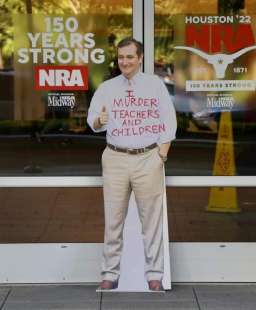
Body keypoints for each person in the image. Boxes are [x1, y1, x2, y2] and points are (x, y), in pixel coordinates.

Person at [87, 37, 177, 291]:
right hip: (115, 157)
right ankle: (109, 274)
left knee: (152, 221)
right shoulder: (107, 87)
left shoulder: (154, 85)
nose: (124, 61)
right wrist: (99, 120)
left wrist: (162, 155)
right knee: (113, 219)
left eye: (129, 57)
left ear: (140, 58)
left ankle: (155, 276)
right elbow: (93, 120)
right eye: (121, 57)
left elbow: (168, 121)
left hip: (148, 158)